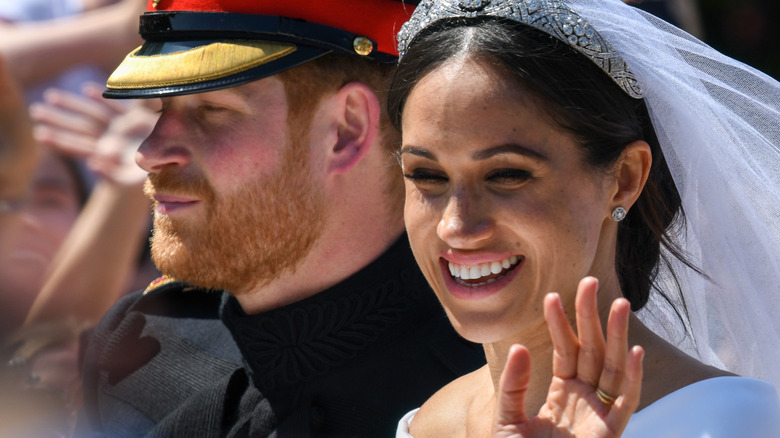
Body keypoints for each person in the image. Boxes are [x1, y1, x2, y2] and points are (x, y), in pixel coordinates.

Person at [79, 1, 485, 437]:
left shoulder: (493, 389)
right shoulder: (142, 340)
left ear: (346, 129)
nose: (149, 153)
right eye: (161, 110)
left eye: (211, 111)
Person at [387, 0, 780, 436]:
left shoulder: (735, 422)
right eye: (427, 175)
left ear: (625, 179)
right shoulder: (426, 424)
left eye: (507, 174)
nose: (455, 226)